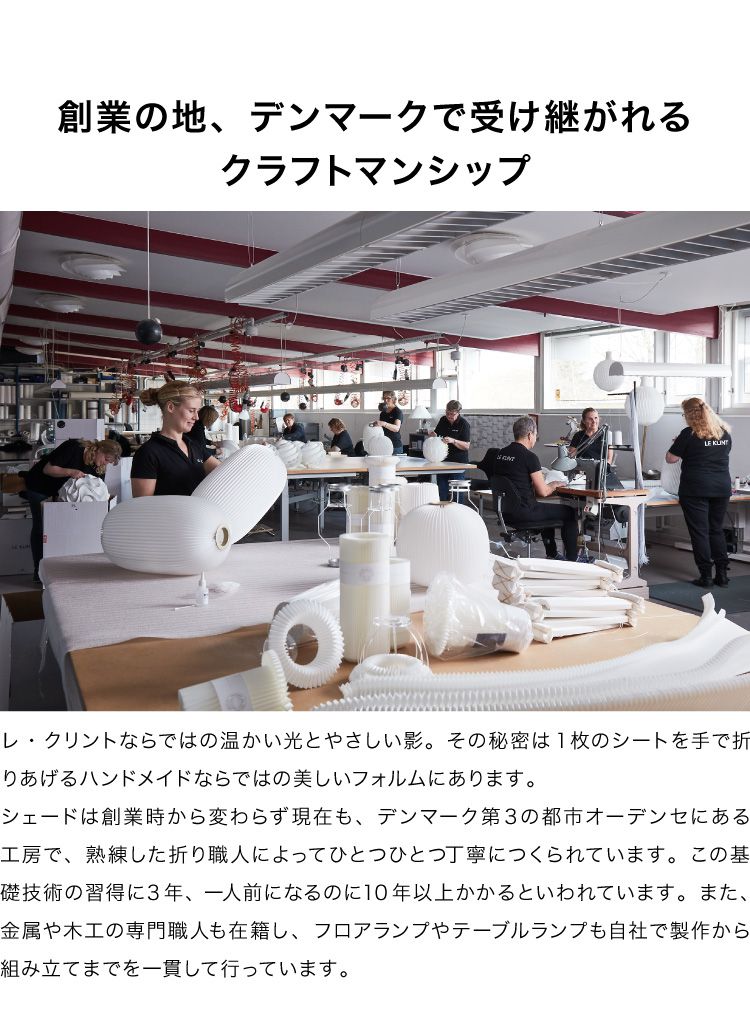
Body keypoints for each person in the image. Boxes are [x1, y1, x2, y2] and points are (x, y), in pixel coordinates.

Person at [20, 437, 122, 582]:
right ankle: (38, 571)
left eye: (109, 462)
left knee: (62, 530)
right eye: (106, 459)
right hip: (40, 487)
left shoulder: (98, 467)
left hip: (61, 493)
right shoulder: (74, 447)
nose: (105, 463)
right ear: (99, 449)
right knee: (41, 527)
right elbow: (48, 469)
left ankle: (60, 569)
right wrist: (71, 472)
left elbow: (96, 492)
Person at [479, 414, 578, 560]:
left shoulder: (500, 454)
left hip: (505, 512)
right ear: (530, 435)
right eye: (536, 435)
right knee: (569, 512)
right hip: (525, 512)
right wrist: (555, 484)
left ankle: (552, 554)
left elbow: (513, 480)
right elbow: (543, 492)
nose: (535, 438)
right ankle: (573, 560)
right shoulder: (529, 457)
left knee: (547, 511)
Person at [665, 396, 732, 588]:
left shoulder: (688, 434)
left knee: (700, 532)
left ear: (689, 415)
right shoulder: (723, 433)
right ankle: (722, 575)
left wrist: (678, 444)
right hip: (721, 488)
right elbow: (719, 454)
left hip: (695, 489)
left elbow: (671, 459)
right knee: (716, 529)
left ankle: (706, 576)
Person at [131, 382, 221, 497]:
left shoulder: (194, 446)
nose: (197, 417)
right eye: (191, 410)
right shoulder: (148, 453)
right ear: (170, 407)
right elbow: (142, 504)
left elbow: (224, 472)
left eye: (197, 411)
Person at [429, 399, 471, 500]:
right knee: (441, 489)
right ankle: (442, 508)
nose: (449, 416)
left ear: (458, 412)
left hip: (458, 462)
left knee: (456, 492)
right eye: (447, 413)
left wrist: (453, 441)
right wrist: (433, 435)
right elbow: (437, 435)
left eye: (452, 414)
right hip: (443, 460)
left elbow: (466, 446)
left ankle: (458, 508)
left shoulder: (464, 424)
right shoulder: (443, 420)